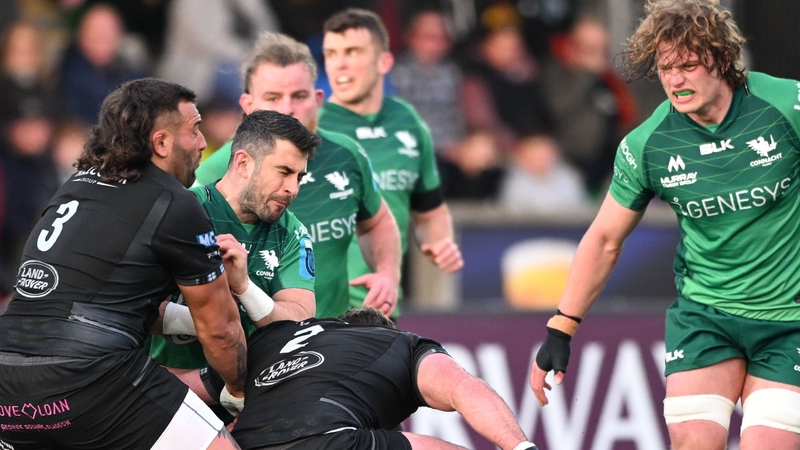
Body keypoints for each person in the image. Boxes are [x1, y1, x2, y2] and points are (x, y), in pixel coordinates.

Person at [529, 1, 800, 450]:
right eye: (665, 67)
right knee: (692, 441)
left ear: (724, 60)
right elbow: (604, 240)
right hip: (706, 317)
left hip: (790, 320)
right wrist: (561, 327)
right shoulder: (648, 143)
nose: (675, 80)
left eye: (689, 66)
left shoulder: (786, 105)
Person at [0, 78, 246, 450]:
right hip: (86, 378)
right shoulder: (175, 203)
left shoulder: (71, 188)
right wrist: (241, 390)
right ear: (161, 143)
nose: (201, 143)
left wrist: (185, 323)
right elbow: (222, 331)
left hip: (9, 389)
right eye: (194, 130)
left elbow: (103, 303)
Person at [194, 32, 402, 319]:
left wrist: (387, 275)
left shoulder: (347, 154)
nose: (287, 108)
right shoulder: (211, 173)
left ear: (318, 99)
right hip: (255, 344)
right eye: (273, 97)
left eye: (299, 96)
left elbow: (377, 220)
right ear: (247, 104)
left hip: (334, 333)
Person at [149, 109, 320, 411]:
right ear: (242, 162)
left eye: (299, 177)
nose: (293, 188)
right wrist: (216, 320)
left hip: (250, 399)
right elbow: (138, 309)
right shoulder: (183, 210)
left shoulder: (292, 232)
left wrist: (244, 288)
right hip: (166, 387)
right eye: (283, 172)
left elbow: (299, 322)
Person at [195, 307, 539, 450]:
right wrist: (519, 447)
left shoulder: (272, 339)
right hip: (331, 438)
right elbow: (464, 389)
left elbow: (187, 388)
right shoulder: (398, 344)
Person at [319, 8, 463, 317]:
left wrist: (440, 243)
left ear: (384, 61)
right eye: (331, 53)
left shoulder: (407, 121)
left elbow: (429, 213)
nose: (340, 63)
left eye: (352, 51)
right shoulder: (310, 127)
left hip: (383, 307)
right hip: (319, 311)